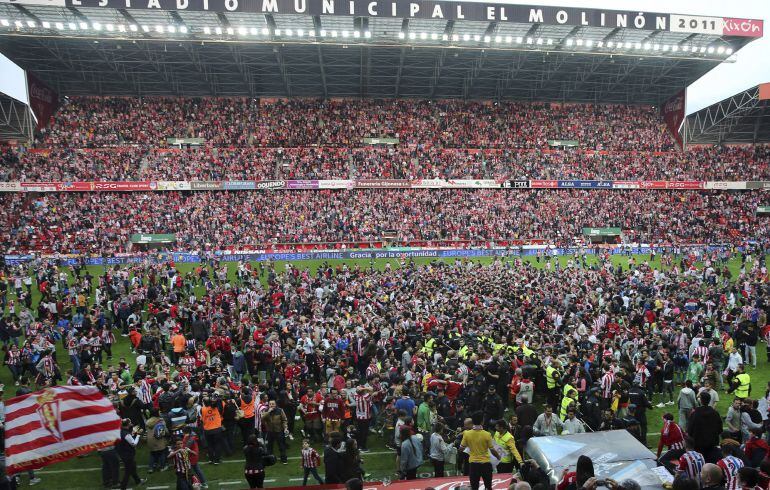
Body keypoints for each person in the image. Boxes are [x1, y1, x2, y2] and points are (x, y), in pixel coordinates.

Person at [460, 412, 500, 490]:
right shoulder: (487, 434)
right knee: (488, 487)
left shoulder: (467, 434)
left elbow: (461, 448)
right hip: (485, 464)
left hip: (473, 465)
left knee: (474, 487)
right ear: (482, 421)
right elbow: (492, 450)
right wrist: (498, 457)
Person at [687, 391, 723, 463]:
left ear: (701, 400)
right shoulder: (715, 413)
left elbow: (689, 430)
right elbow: (720, 429)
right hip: (712, 444)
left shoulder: (695, 414)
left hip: (698, 445)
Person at [116, 419, 145, 490]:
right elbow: (134, 444)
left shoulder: (121, 431)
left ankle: (138, 481)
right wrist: (138, 435)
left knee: (133, 467)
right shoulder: (126, 434)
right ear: (127, 424)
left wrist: (134, 433)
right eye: (130, 422)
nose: (131, 423)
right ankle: (123, 487)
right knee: (128, 472)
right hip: (128, 455)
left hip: (123, 453)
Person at [261, 399, 289, 464]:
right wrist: (268, 412)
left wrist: (285, 427)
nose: (271, 405)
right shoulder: (266, 410)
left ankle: (284, 459)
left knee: (281, 446)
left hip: (279, 431)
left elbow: (284, 420)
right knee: (269, 446)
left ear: (275, 404)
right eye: (270, 404)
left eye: (273, 404)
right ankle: (270, 460)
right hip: (270, 431)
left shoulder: (280, 410)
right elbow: (262, 418)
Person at [200, 396, 225, 465]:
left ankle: (211, 459)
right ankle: (217, 460)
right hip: (216, 429)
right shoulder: (216, 407)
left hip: (207, 430)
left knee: (210, 445)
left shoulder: (202, 409)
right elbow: (219, 402)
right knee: (217, 444)